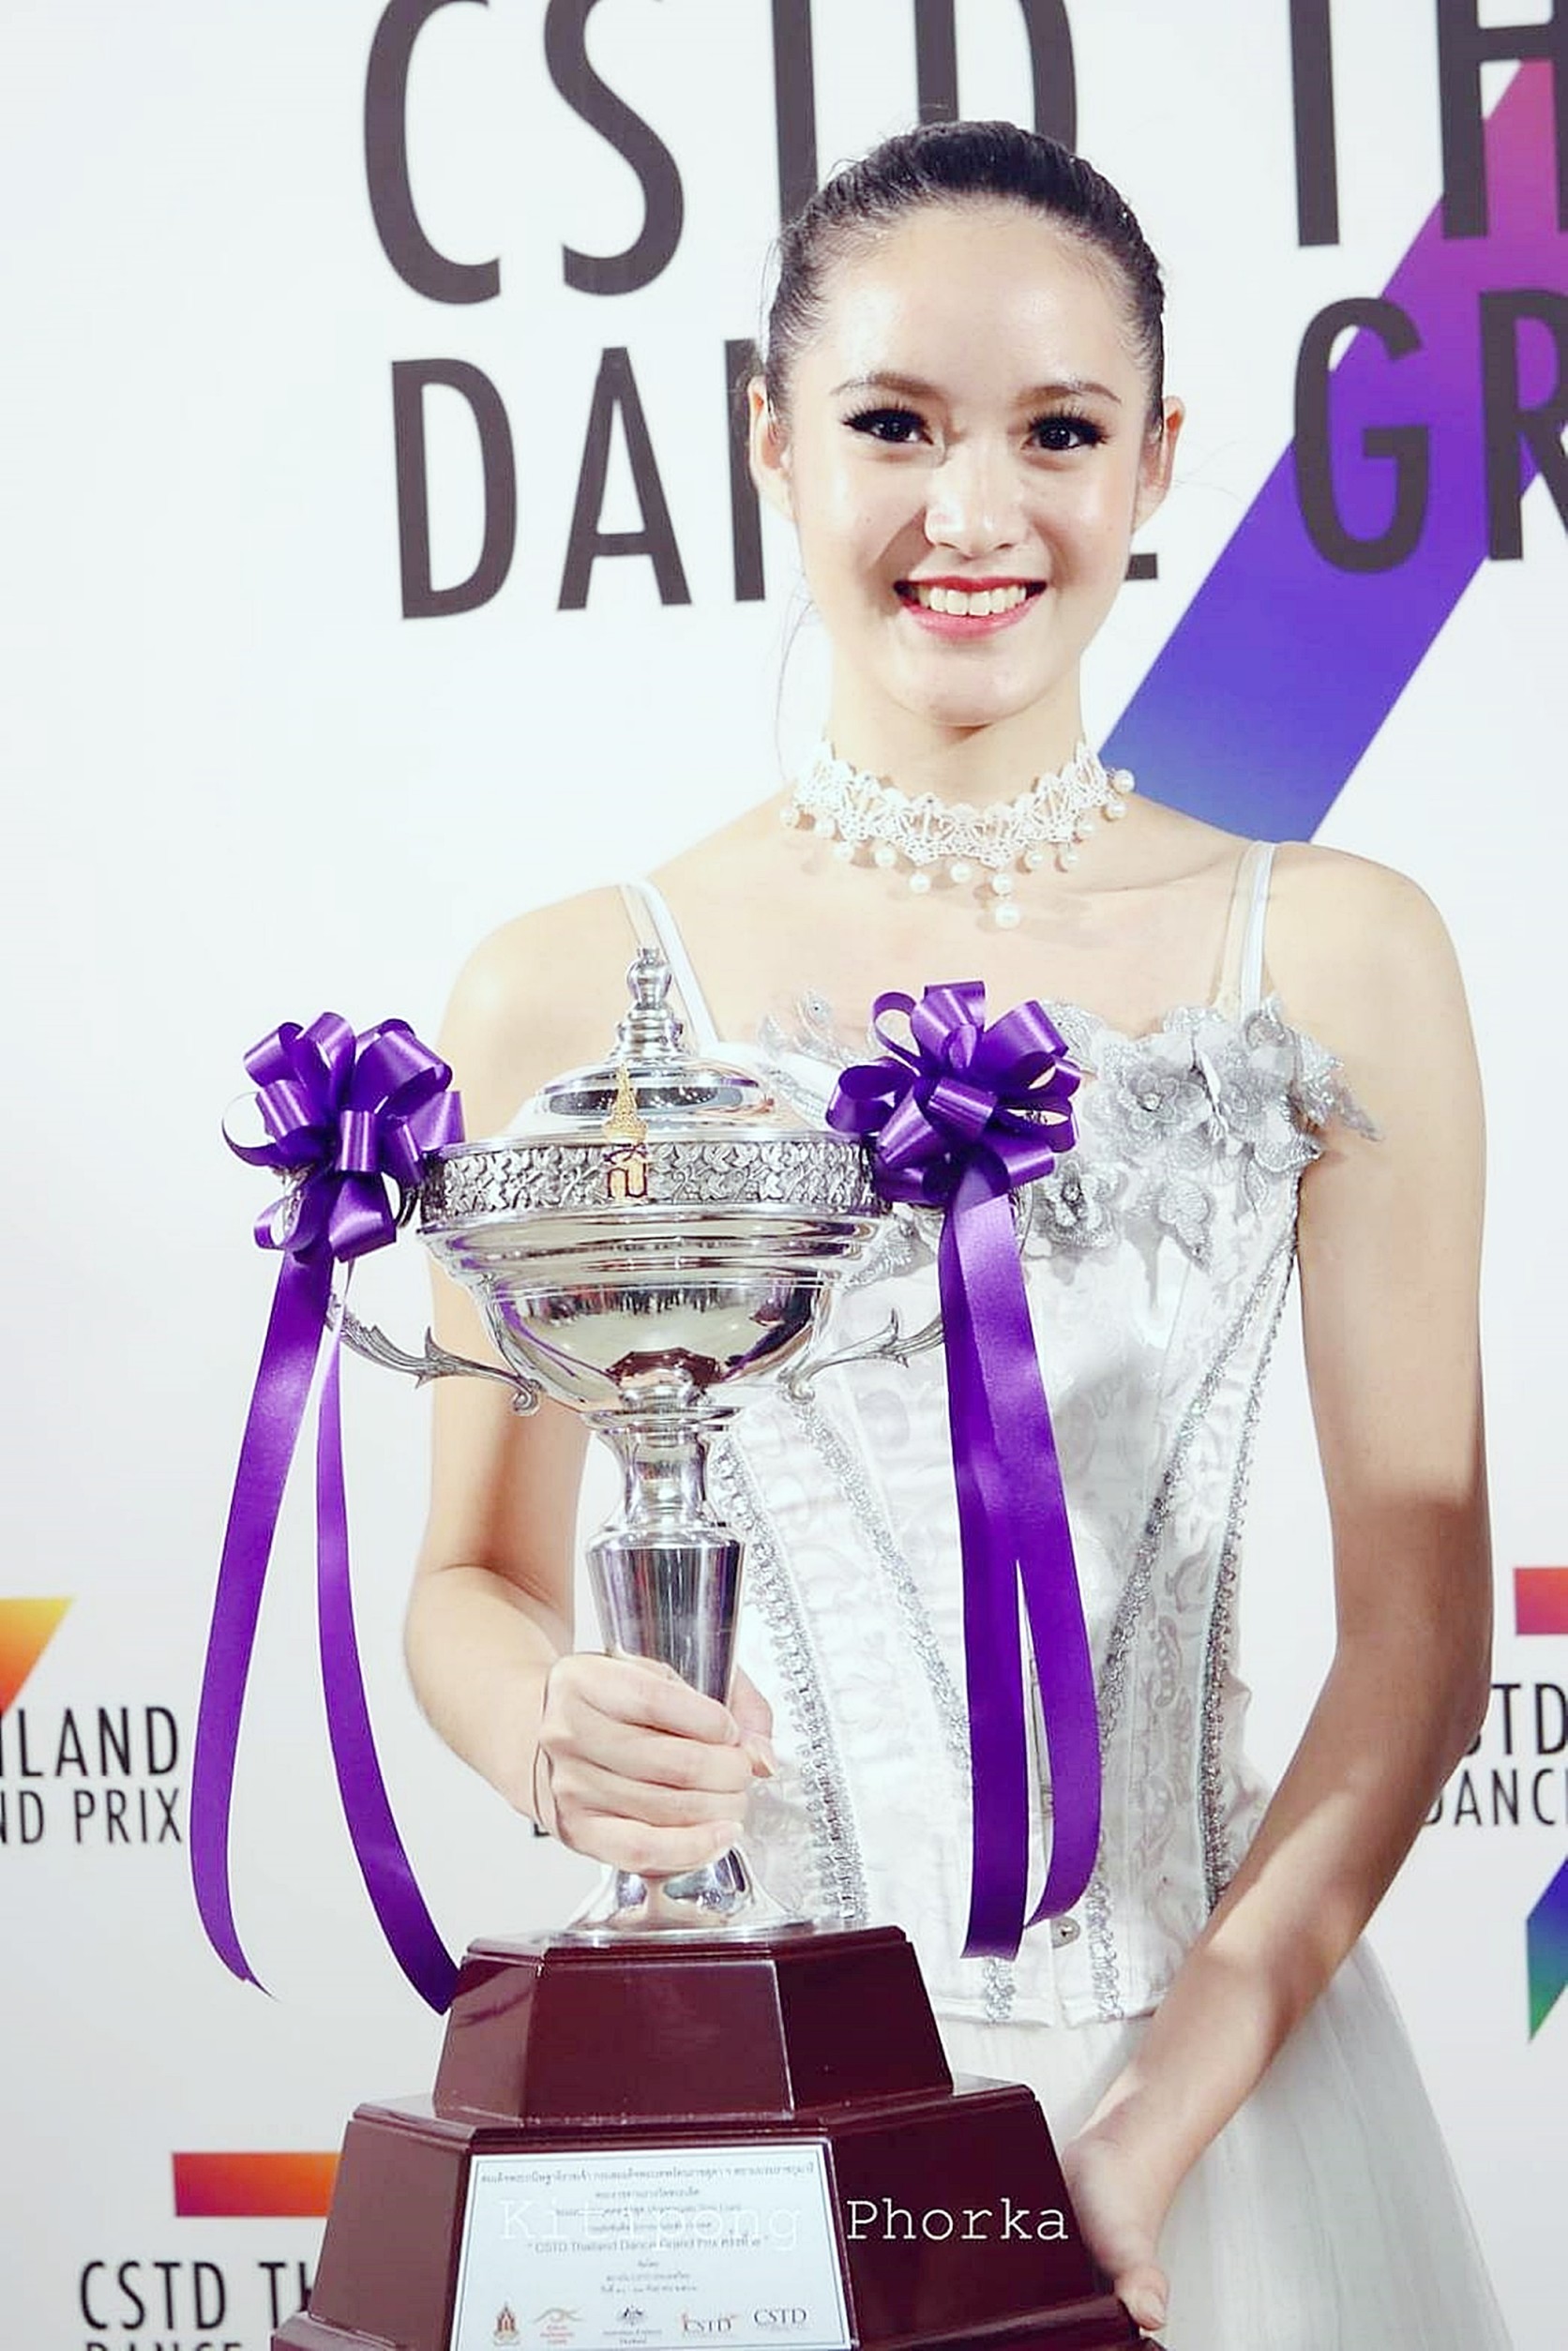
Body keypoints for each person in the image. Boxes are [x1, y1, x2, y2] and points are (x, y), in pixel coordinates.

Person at [404, 122, 1513, 2349]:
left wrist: (1150, 2122)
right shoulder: (560, 990)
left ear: (1158, 459)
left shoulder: (1337, 952)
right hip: (736, 2113)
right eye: (894, 425)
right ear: (769, 445)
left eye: (1058, 432)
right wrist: (555, 1725)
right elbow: (468, 1580)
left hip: (1204, 2109)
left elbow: (1412, 1628)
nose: (974, 512)